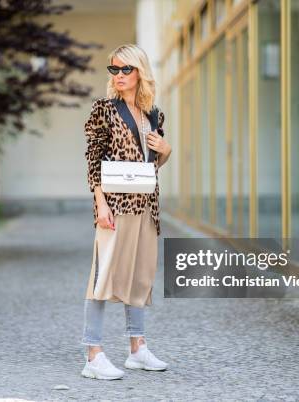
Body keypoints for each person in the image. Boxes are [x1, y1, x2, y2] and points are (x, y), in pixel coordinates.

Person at [80, 44, 172, 380]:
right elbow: (94, 161)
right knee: (102, 278)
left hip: (145, 206)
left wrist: (166, 149)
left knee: (139, 277)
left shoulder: (153, 114)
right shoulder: (103, 110)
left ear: (139, 72)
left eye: (125, 69)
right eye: (114, 70)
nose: (118, 75)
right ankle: (93, 355)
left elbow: (152, 165)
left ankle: (138, 350)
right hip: (115, 207)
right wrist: (100, 204)